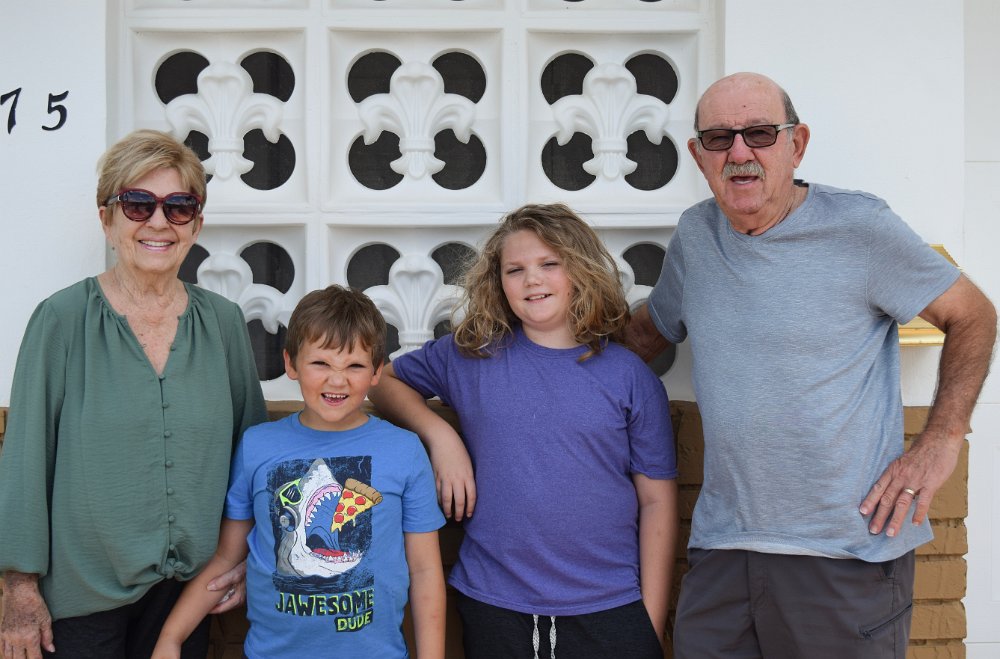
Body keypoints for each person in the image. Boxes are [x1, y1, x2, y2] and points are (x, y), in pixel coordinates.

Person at [625, 72, 998, 658]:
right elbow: (646, 334)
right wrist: (540, 358)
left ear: (796, 144)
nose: (739, 152)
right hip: (725, 552)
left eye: (760, 133)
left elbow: (973, 314)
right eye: (719, 138)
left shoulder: (861, 228)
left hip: (844, 557)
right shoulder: (696, 236)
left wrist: (942, 438)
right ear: (698, 156)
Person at [0, 129, 268, 659]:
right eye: (138, 204)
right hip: (80, 597)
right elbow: (26, 458)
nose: (159, 222)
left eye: (179, 206)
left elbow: (252, 456)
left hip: (190, 595)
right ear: (107, 219)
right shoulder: (61, 319)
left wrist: (244, 558)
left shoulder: (223, 322)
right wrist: (18, 588)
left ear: (196, 223)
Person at [369, 203, 679, 659]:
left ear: (581, 270)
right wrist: (441, 436)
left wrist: (648, 620)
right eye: (515, 270)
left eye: (549, 264)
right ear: (498, 282)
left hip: (610, 606)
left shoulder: (629, 376)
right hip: (496, 604)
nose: (532, 279)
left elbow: (657, 502)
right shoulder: (472, 356)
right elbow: (382, 382)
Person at [152, 284, 447, 659]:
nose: (337, 380)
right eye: (320, 363)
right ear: (290, 364)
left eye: (355, 366)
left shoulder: (405, 450)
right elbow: (226, 557)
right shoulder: (257, 445)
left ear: (376, 371)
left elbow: (424, 571)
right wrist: (171, 636)